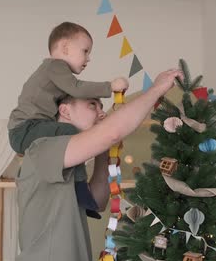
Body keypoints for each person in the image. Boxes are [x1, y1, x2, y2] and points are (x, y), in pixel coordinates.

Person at [8, 68, 184, 261]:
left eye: (102, 107)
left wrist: (103, 151)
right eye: (93, 105)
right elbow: (112, 131)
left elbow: (98, 201)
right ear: (65, 110)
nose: (101, 113)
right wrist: (156, 90)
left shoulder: (72, 160)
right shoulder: (43, 148)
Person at [8, 22, 128, 217]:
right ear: (65, 47)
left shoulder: (54, 76)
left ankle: (79, 190)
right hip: (25, 129)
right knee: (71, 134)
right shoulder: (56, 66)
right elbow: (77, 88)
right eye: (85, 51)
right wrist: (110, 87)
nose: (88, 58)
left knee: (69, 137)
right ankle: (81, 190)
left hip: (30, 128)